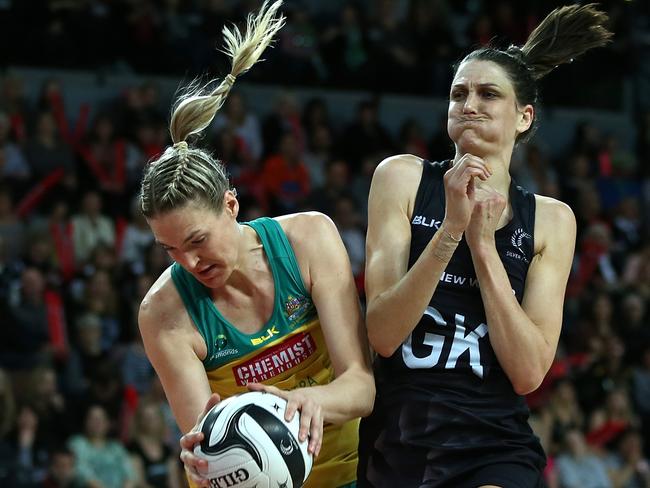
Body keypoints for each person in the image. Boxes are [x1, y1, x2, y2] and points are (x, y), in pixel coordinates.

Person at [357, 4, 612, 488]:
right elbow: (384, 334)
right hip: (400, 431)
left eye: (487, 94)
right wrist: (451, 229)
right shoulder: (402, 178)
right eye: (458, 94)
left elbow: (528, 372)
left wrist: (483, 246)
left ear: (524, 117)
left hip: (493, 440)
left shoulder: (552, 219)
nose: (468, 104)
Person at [136, 2, 375, 488]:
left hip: (349, 475)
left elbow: (361, 386)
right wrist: (198, 462)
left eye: (197, 240)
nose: (190, 261)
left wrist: (311, 403)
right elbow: (203, 442)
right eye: (171, 250)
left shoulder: (309, 238)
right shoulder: (163, 312)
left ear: (231, 204)